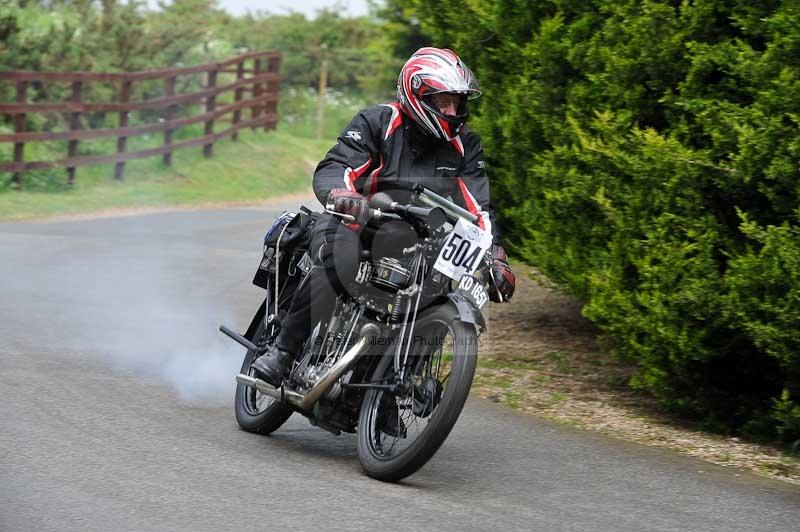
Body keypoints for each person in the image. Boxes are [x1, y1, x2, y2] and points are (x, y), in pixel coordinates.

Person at [252, 47, 516, 386]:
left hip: (417, 235)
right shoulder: (377, 122)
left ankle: (392, 387)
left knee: (439, 289)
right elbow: (338, 166)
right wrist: (343, 196)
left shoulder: (466, 145)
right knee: (339, 257)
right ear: (418, 96)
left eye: (458, 103)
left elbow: (479, 207)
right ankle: (284, 351)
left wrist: (496, 256)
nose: (453, 111)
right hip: (358, 221)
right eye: (443, 102)